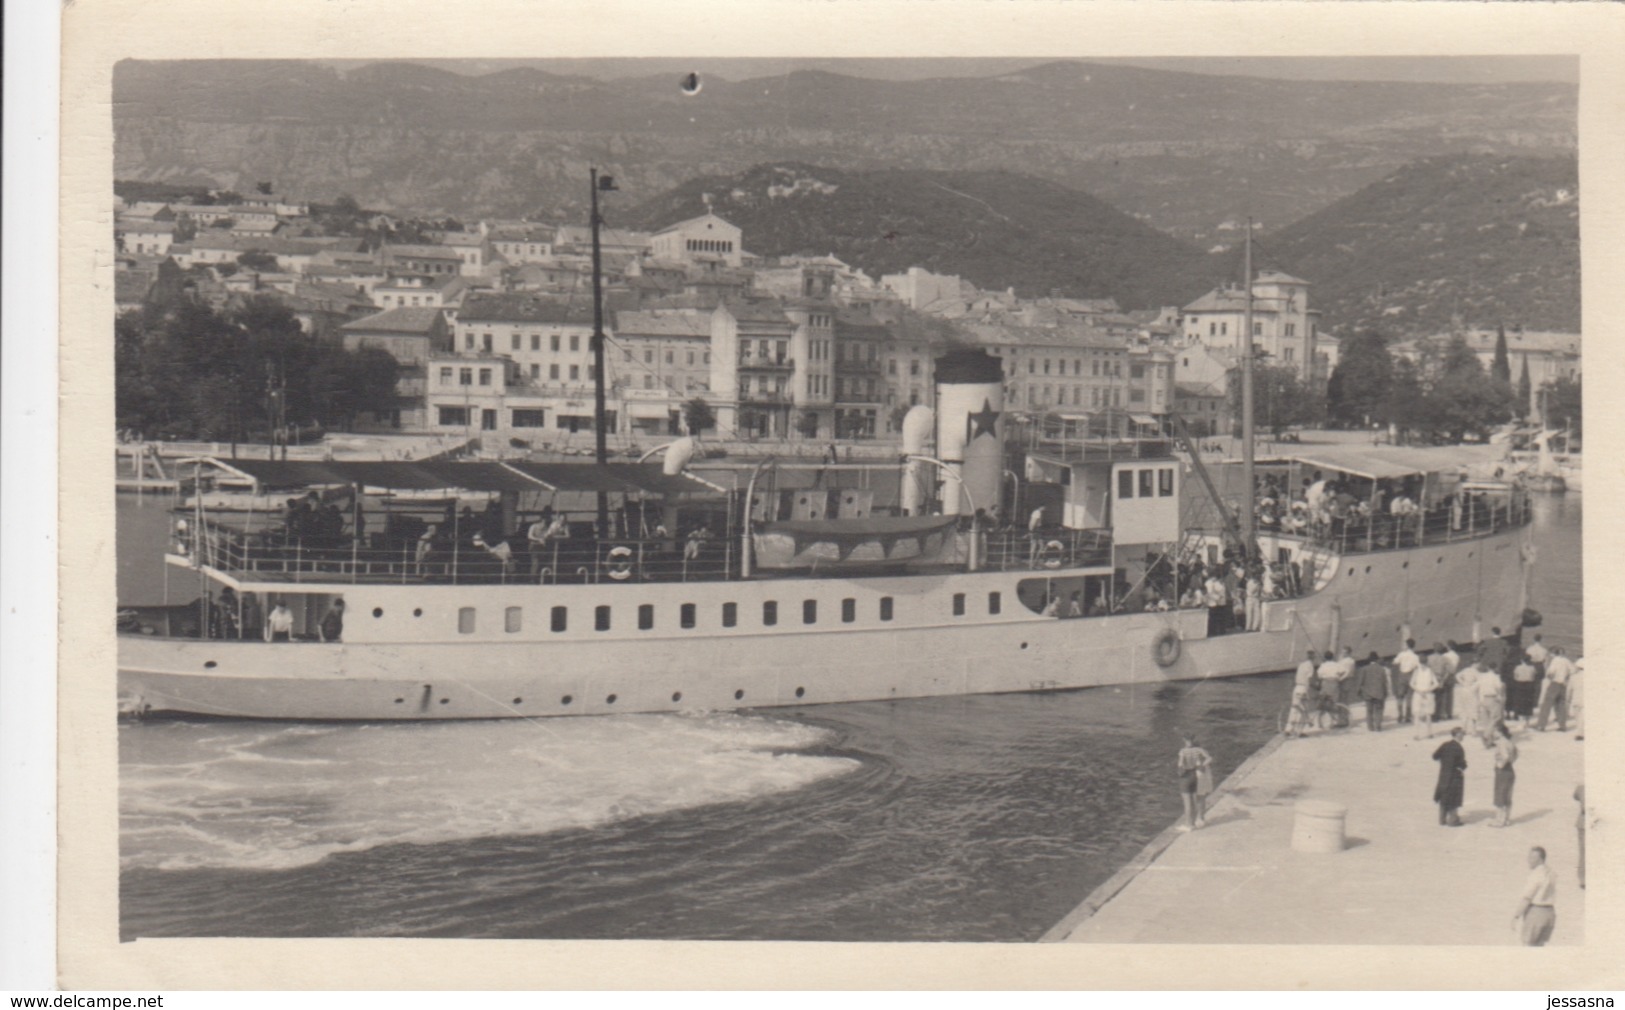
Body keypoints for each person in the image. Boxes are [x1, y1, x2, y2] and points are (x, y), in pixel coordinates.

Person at [1514, 846, 1558, 946]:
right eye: (1529, 857)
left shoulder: (1536, 874)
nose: (1529, 861)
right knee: (1540, 947)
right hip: (1550, 913)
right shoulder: (1552, 873)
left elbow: (1527, 898)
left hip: (1536, 913)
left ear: (1540, 859)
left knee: (1528, 946)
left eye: (1532, 858)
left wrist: (1516, 916)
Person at [1431, 727, 1468, 826]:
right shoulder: (1459, 748)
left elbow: (1435, 756)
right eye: (1462, 734)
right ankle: (1453, 820)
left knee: (1444, 796)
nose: (1463, 736)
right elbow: (1461, 764)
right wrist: (1464, 766)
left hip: (1444, 774)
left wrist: (1444, 762)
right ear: (1458, 735)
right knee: (1453, 798)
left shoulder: (1445, 745)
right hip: (1454, 775)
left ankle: (1442, 819)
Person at [1176, 735, 1214, 831]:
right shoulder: (1199, 750)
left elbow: (1180, 765)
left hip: (1187, 775)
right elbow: (1209, 758)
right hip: (1196, 774)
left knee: (1187, 802)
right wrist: (1201, 765)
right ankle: (1200, 819)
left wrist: (1181, 770)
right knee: (1199, 798)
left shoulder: (1183, 751)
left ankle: (1189, 824)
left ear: (1184, 740)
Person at [1487, 720, 1518, 828]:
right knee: (1507, 796)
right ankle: (1506, 819)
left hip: (1503, 771)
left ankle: (1500, 820)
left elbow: (1505, 756)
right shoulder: (1509, 741)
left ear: (1499, 731)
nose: (1494, 733)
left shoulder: (1501, 742)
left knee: (1500, 795)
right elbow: (1515, 754)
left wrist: (1500, 764)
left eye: (1495, 731)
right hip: (1510, 770)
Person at [1535, 646, 1573, 732]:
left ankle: (1541, 725)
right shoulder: (1567, 661)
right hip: (1563, 685)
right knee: (1561, 705)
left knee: (1546, 705)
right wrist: (1566, 677)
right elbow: (1573, 670)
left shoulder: (1555, 661)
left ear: (1554, 653)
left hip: (1554, 683)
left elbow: (1550, 673)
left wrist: (1549, 676)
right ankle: (1562, 725)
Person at [1356, 651, 1390, 732]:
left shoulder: (1364, 669)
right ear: (1377, 659)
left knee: (1369, 710)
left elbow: (1360, 681)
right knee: (1379, 709)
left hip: (1368, 693)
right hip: (1379, 692)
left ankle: (1370, 727)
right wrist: (1385, 692)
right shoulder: (1381, 669)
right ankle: (1378, 726)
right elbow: (1384, 682)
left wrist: (1358, 691)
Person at [1411, 646, 1439, 739]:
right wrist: (1418, 690)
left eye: (1424, 663)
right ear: (1419, 662)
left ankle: (1429, 733)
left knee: (1428, 714)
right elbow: (1411, 683)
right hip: (1419, 694)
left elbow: (1436, 683)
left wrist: (1428, 690)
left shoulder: (1430, 671)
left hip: (1427, 694)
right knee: (1417, 714)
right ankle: (1416, 734)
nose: (1423, 665)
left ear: (1426, 662)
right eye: (1421, 663)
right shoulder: (1416, 671)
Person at [1475, 662, 1505, 747]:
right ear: (1495, 668)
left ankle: (1489, 741)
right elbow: (1499, 687)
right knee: (1496, 717)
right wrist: (1500, 696)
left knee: (1487, 720)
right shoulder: (1495, 677)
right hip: (1493, 697)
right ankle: (1486, 735)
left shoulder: (1482, 676)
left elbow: (1475, 687)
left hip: (1484, 698)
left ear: (1488, 667)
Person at [1393, 638, 1420, 725]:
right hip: (1411, 675)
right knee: (1409, 697)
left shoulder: (1402, 654)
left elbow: (1395, 662)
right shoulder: (1416, 656)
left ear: (1407, 645)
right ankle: (1408, 716)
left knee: (1400, 697)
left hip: (1402, 675)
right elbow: (1418, 667)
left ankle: (1400, 715)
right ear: (1414, 646)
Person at [1430, 641, 1458, 722]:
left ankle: (1431, 714)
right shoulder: (1445, 659)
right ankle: (1437, 715)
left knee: (1430, 697)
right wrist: (1443, 679)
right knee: (1439, 698)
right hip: (1440, 678)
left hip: (1431, 678)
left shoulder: (1429, 658)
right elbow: (1451, 670)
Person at [1574, 784, 1586, 890]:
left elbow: (1575, 796)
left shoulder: (1582, 787)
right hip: (1590, 824)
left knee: (1583, 852)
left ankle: (1583, 879)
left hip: (1582, 824)